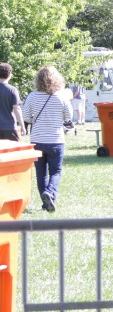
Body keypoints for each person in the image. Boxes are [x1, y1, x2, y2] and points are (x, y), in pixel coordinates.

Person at [21, 66, 73, 212]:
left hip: (37, 139)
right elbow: (69, 116)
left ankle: (45, 202)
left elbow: (25, 117)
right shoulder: (61, 96)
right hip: (56, 139)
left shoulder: (32, 96)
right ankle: (49, 193)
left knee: (40, 172)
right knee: (56, 171)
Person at [0, 62, 26, 142]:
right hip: (9, 127)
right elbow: (16, 109)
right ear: (10, 74)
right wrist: (22, 125)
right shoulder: (12, 90)